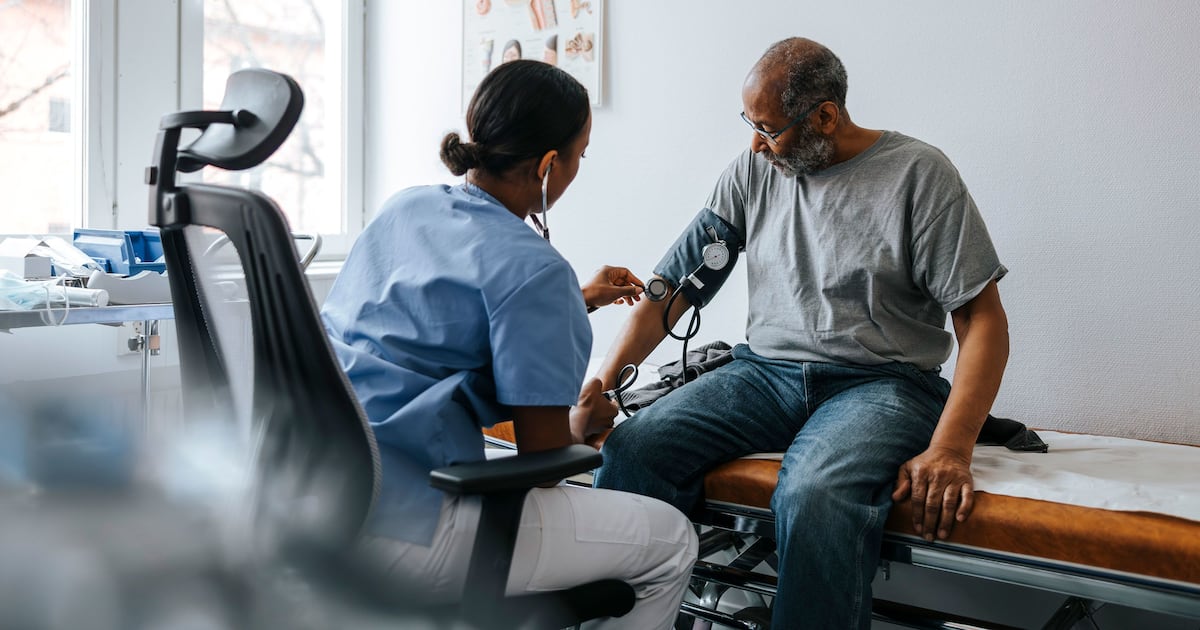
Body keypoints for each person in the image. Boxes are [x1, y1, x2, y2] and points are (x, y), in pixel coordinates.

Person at [591, 37, 1010, 629]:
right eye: (750, 125)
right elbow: (673, 288)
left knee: (814, 492)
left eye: (769, 129)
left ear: (825, 116)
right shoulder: (751, 172)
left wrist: (951, 447)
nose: (756, 145)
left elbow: (982, 319)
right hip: (764, 373)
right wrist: (605, 389)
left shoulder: (919, 174)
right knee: (636, 448)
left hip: (884, 384)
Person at [320, 60, 697, 629]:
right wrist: (581, 420)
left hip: (319, 500)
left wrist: (576, 297)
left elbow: (444, 309)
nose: (578, 169)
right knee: (671, 541)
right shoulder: (534, 271)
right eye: (581, 155)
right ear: (549, 165)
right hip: (411, 526)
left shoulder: (406, 207)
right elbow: (545, 463)